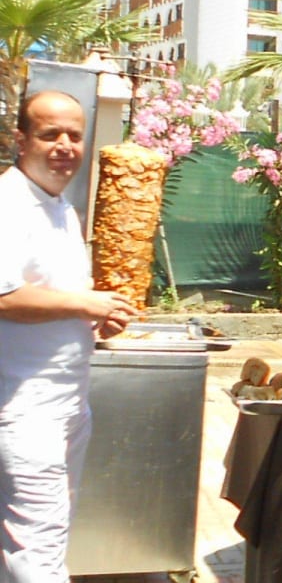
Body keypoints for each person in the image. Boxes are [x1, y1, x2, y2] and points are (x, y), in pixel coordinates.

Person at [0, 90, 139, 581]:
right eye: (49, 134)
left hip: (68, 402)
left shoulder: (61, 208)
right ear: (20, 139)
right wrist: (86, 303)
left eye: (74, 136)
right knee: (39, 544)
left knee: (42, 534)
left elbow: (54, 294)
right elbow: (3, 297)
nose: (64, 145)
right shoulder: (7, 204)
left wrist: (96, 316)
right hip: (23, 406)